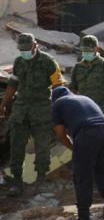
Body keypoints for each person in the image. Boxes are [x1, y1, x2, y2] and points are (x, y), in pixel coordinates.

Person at [0, 33, 64, 196]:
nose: (25, 52)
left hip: (41, 111)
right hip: (20, 111)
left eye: (27, 49)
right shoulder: (19, 62)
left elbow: (58, 86)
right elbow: (12, 85)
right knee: (16, 146)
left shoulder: (48, 62)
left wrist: (60, 108)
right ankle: (17, 181)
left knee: (42, 147)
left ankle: (41, 179)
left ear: (35, 45)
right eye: (22, 49)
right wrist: (4, 104)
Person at [51, 87, 104, 220]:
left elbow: (60, 134)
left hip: (87, 134)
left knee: (82, 176)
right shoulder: (84, 98)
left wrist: (74, 148)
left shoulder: (58, 104)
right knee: (103, 171)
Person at [69, 35, 104, 184]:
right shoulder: (77, 68)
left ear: (97, 49)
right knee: (84, 145)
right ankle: (88, 176)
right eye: (84, 50)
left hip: (101, 111)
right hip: (83, 114)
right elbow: (73, 90)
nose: (86, 53)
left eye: (89, 50)